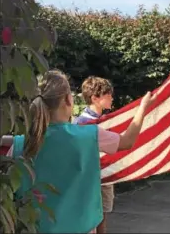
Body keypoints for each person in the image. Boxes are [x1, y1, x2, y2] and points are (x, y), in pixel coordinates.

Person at [4, 69, 156, 233]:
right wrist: (143, 108)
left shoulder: (19, 145)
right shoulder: (90, 135)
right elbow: (127, 141)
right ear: (68, 100)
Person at [73, 76, 115, 234]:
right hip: (89, 178)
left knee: (103, 215)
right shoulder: (81, 123)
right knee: (90, 217)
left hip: (106, 174)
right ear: (95, 98)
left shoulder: (109, 121)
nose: (111, 97)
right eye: (107, 94)